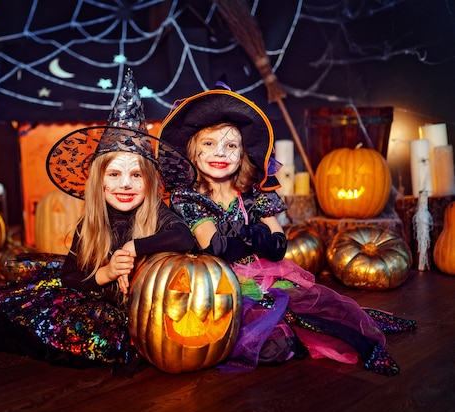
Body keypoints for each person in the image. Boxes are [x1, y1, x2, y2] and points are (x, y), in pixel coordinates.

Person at [158, 83, 416, 376]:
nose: (221, 153)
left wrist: (265, 240)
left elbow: (278, 242)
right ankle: (324, 333)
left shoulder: (253, 192)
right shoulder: (189, 196)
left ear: (242, 152)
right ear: (193, 149)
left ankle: (365, 333)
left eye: (231, 145)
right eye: (209, 144)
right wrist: (251, 236)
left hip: (264, 272)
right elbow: (215, 247)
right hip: (220, 284)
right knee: (274, 340)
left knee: (310, 305)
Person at [0, 68, 197, 370]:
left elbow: (186, 236)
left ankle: (3, 339)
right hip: (93, 297)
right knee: (44, 311)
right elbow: (70, 277)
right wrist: (105, 273)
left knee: (71, 348)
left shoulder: (157, 215)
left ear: (149, 182)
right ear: (100, 182)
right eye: (115, 174)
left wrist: (134, 247)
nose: (125, 184)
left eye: (136, 175)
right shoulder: (92, 224)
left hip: (129, 315)